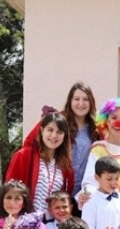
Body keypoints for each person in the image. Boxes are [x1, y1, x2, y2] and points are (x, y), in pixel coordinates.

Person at [21, 83, 102, 215]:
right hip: (59, 190)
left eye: (86, 99)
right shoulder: (57, 120)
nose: (81, 104)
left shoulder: (96, 130)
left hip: (84, 195)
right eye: (76, 99)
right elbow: (30, 143)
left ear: (91, 102)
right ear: (70, 101)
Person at [6, 111, 74, 216]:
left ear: (64, 135)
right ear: (41, 130)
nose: (54, 135)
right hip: (25, 220)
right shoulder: (23, 156)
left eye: (59, 132)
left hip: (52, 223)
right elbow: (9, 192)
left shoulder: (65, 165)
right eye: (50, 130)